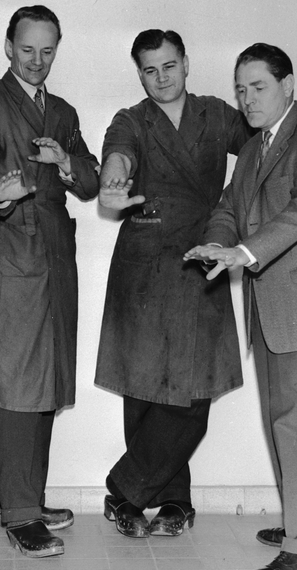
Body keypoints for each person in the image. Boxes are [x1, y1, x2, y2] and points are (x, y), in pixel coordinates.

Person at [185, 43, 297, 570]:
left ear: (288, 85)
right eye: (240, 90)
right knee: (294, 424)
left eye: (258, 87)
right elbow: (229, 207)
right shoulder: (255, 147)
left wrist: (245, 252)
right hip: (273, 310)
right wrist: (219, 242)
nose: (247, 99)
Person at [0, 5, 99, 559]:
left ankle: (25, 499)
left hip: (56, 255)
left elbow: (90, 179)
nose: (37, 61)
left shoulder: (62, 111)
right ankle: (19, 513)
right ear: (8, 47)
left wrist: (66, 163)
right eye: (27, 49)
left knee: (46, 379)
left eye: (47, 50)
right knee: (17, 380)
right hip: (12, 250)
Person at [95, 29, 252, 539]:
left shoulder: (217, 114)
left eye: (169, 66)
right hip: (144, 263)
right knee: (144, 386)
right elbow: (118, 155)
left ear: (186, 63)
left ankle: (125, 491)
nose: (161, 78)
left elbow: (261, 147)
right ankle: (173, 501)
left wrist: (237, 205)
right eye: (150, 70)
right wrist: (113, 180)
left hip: (203, 256)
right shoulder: (131, 120)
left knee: (190, 389)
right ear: (139, 75)